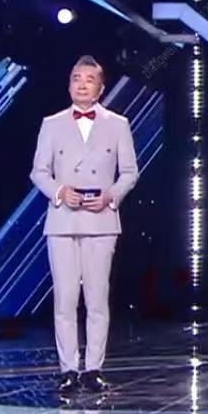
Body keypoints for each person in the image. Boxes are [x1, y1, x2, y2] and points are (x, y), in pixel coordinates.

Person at [29, 55, 140, 395]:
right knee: (65, 300)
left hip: (101, 221)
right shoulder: (52, 123)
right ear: (69, 85)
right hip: (62, 220)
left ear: (100, 88)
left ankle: (93, 369)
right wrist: (60, 192)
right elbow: (38, 172)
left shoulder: (117, 124)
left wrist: (111, 196)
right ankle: (68, 369)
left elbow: (130, 173)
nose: (82, 84)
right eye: (76, 78)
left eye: (89, 79)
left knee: (96, 299)